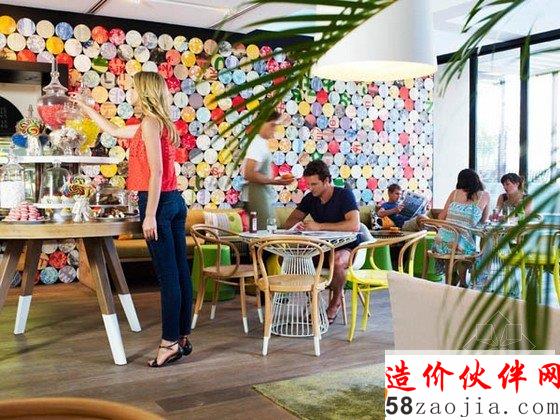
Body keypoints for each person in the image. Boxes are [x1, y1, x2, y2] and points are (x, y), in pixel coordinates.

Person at [73, 71, 192, 368]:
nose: (130, 92)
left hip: (159, 203)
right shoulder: (154, 124)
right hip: (174, 201)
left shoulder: (150, 123)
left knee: (168, 277)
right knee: (179, 273)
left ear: (144, 91)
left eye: (133, 88)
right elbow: (113, 130)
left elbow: (157, 172)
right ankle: (182, 337)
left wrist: (149, 214)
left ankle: (169, 344)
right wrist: (86, 107)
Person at [283, 160, 360, 323]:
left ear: (326, 181)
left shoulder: (344, 195)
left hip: (348, 247)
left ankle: (335, 303)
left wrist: (319, 226)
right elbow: (289, 222)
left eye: (314, 184)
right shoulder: (310, 198)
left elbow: (354, 225)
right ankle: (315, 301)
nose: (310, 188)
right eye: (308, 184)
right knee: (295, 258)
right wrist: (299, 225)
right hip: (322, 248)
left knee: (337, 261)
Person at [435, 169, 490, 286]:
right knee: (462, 243)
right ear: (477, 180)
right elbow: (484, 220)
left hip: (441, 240)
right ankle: (463, 282)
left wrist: (450, 222)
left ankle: (451, 278)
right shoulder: (484, 195)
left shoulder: (454, 193)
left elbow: (441, 216)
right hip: (462, 242)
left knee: (453, 242)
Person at [241, 111, 292, 230]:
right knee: (264, 233)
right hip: (258, 197)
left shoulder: (261, 143)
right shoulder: (257, 143)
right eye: (272, 125)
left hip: (262, 196)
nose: (274, 129)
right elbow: (249, 173)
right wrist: (276, 182)